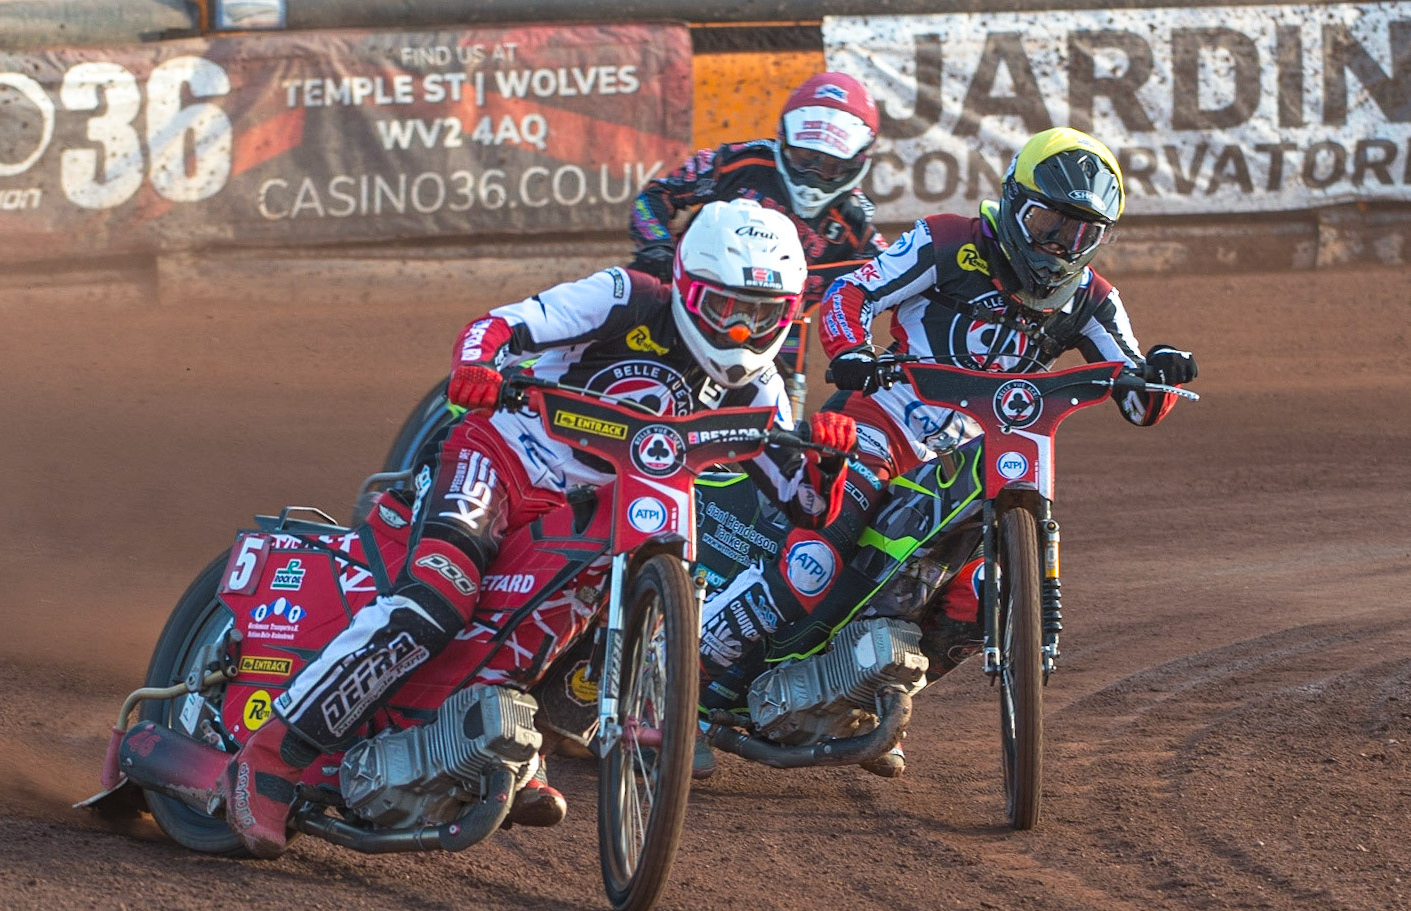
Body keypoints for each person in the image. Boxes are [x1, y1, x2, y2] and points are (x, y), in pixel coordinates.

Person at [219, 199, 857, 857]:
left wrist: (828, 458)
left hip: (587, 514)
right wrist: (478, 364)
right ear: (691, 289)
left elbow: (805, 504)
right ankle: (272, 756)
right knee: (437, 603)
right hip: (498, 462)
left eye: (762, 315)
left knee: (584, 608)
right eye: (727, 308)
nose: (742, 331)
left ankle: (499, 738)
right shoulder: (625, 296)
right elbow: (501, 325)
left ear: (788, 316)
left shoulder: (758, 390)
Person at [692, 127, 1198, 780]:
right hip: (885, 423)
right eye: (1049, 223)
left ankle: (865, 693)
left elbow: (1136, 394)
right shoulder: (947, 241)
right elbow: (852, 295)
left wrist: (1158, 372)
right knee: (826, 546)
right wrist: (852, 354)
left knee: (979, 598)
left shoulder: (1094, 298)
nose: (1059, 246)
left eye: (1082, 234)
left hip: (981, 460)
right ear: (1016, 202)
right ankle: (693, 693)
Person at [628, 71, 888, 414]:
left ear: (857, 162)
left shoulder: (855, 223)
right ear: (783, 141)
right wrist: (658, 249)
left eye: (829, 167)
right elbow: (653, 198)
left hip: (778, 337)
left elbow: (895, 271)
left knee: (782, 431)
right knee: (635, 367)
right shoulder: (738, 162)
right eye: (804, 159)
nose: (812, 174)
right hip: (689, 303)